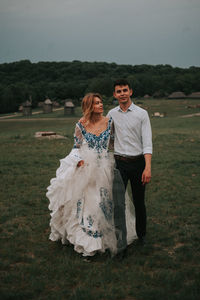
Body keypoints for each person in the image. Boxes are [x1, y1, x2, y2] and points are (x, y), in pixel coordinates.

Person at [46, 93, 137, 257]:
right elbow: (76, 147)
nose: (101, 105)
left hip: (105, 167)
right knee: (89, 204)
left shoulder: (109, 122)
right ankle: (89, 244)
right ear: (89, 106)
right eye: (96, 103)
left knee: (106, 203)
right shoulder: (81, 124)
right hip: (86, 169)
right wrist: (78, 160)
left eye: (101, 102)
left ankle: (110, 239)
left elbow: (113, 143)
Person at [107, 79, 152, 245]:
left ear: (130, 92)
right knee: (118, 204)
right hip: (119, 164)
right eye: (119, 91)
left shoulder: (142, 114)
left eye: (125, 90)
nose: (122, 94)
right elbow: (105, 136)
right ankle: (120, 239)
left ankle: (142, 236)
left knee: (139, 202)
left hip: (138, 163)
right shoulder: (111, 114)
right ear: (114, 94)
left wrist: (147, 168)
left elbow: (147, 143)